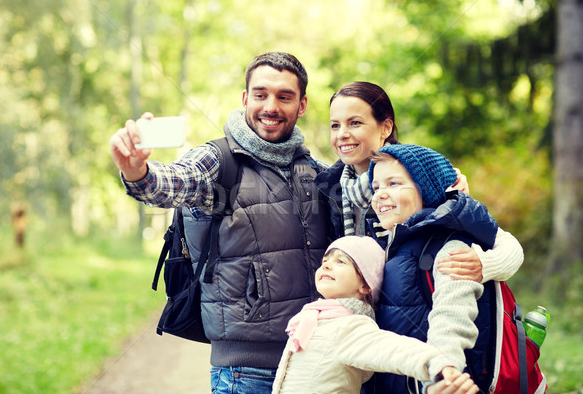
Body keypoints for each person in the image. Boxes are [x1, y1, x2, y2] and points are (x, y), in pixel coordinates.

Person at [109, 52, 331, 394]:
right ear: (245, 99)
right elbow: (173, 182)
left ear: (301, 105)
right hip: (248, 371)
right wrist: (137, 171)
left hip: (314, 364)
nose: (270, 106)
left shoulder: (312, 169)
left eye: (284, 97)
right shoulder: (219, 159)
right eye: (260, 95)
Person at [315, 81, 523, 285]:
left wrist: (484, 265)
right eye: (335, 125)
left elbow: (504, 244)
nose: (342, 134)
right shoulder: (328, 188)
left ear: (385, 127)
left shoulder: (422, 175)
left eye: (355, 123)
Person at [366, 144, 517, 393]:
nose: (380, 194)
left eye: (393, 184)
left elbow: (451, 317)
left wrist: (442, 373)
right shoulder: (393, 243)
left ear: (426, 189)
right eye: (376, 187)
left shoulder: (449, 248)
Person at [272, 235, 480, 394]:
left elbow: (393, 350)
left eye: (341, 262)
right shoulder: (314, 318)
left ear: (365, 285)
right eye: (325, 260)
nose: (326, 264)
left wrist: (438, 363)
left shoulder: (350, 327)